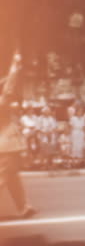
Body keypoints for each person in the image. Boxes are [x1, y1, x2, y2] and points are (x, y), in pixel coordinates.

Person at [0, 52, 36, 218]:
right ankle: (23, 207)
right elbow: (8, 89)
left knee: (13, 178)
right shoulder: (2, 102)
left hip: (9, 146)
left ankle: (23, 207)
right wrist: (15, 66)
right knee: (3, 178)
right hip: (5, 146)